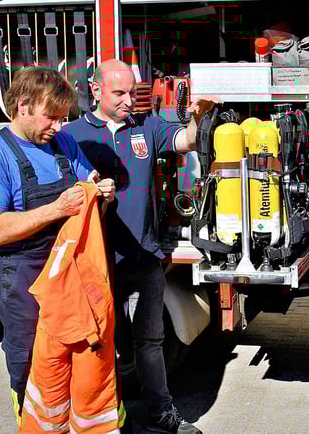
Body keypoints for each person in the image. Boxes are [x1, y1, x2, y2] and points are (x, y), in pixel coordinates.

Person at [64, 59, 219, 434]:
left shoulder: (146, 126)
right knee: (99, 346)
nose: (128, 100)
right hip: (97, 263)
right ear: (96, 90)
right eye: (119, 93)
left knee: (150, 342)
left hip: (144, 257)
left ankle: (162, 414)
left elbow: (188, 140)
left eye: (133, 92)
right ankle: (104, 418)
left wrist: (200, 116)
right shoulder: (72, 134)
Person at [0, 66, 115, 427]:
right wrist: (56, 209)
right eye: (52, 117)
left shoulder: (62, 144)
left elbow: (89, 196)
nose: (59, 127)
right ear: (22, 105)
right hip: (22, 278)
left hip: (67, 273)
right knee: (32, 364)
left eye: (64, 119)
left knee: (78, 356)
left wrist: (101, 194)